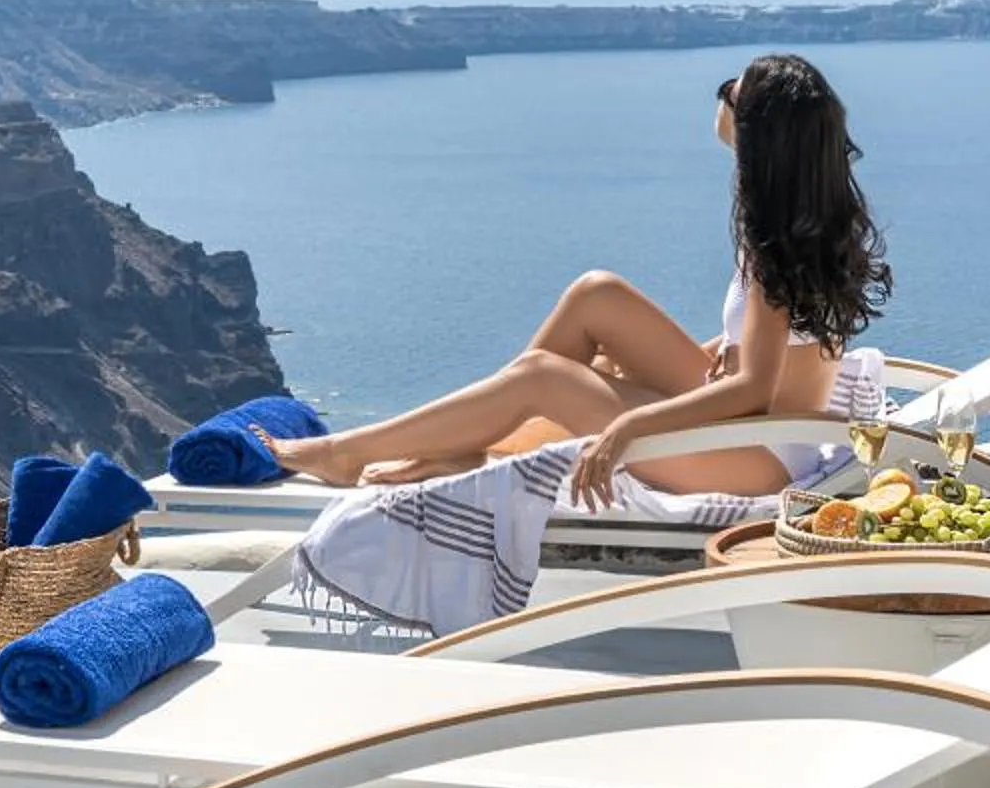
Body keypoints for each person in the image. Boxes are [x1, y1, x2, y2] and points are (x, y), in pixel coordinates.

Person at [274, 52, 893, 510]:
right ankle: (473, 438)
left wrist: (629, 425)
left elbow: (757, 387)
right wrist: (713, 352)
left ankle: (351, 453)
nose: (722, 96)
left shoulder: (774, 243)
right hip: (762, 430)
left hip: (758, 457)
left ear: (757, 131)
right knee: (597, 294)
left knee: (541, 376)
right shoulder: (797, 220)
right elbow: (778, 351)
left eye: (732, 90)